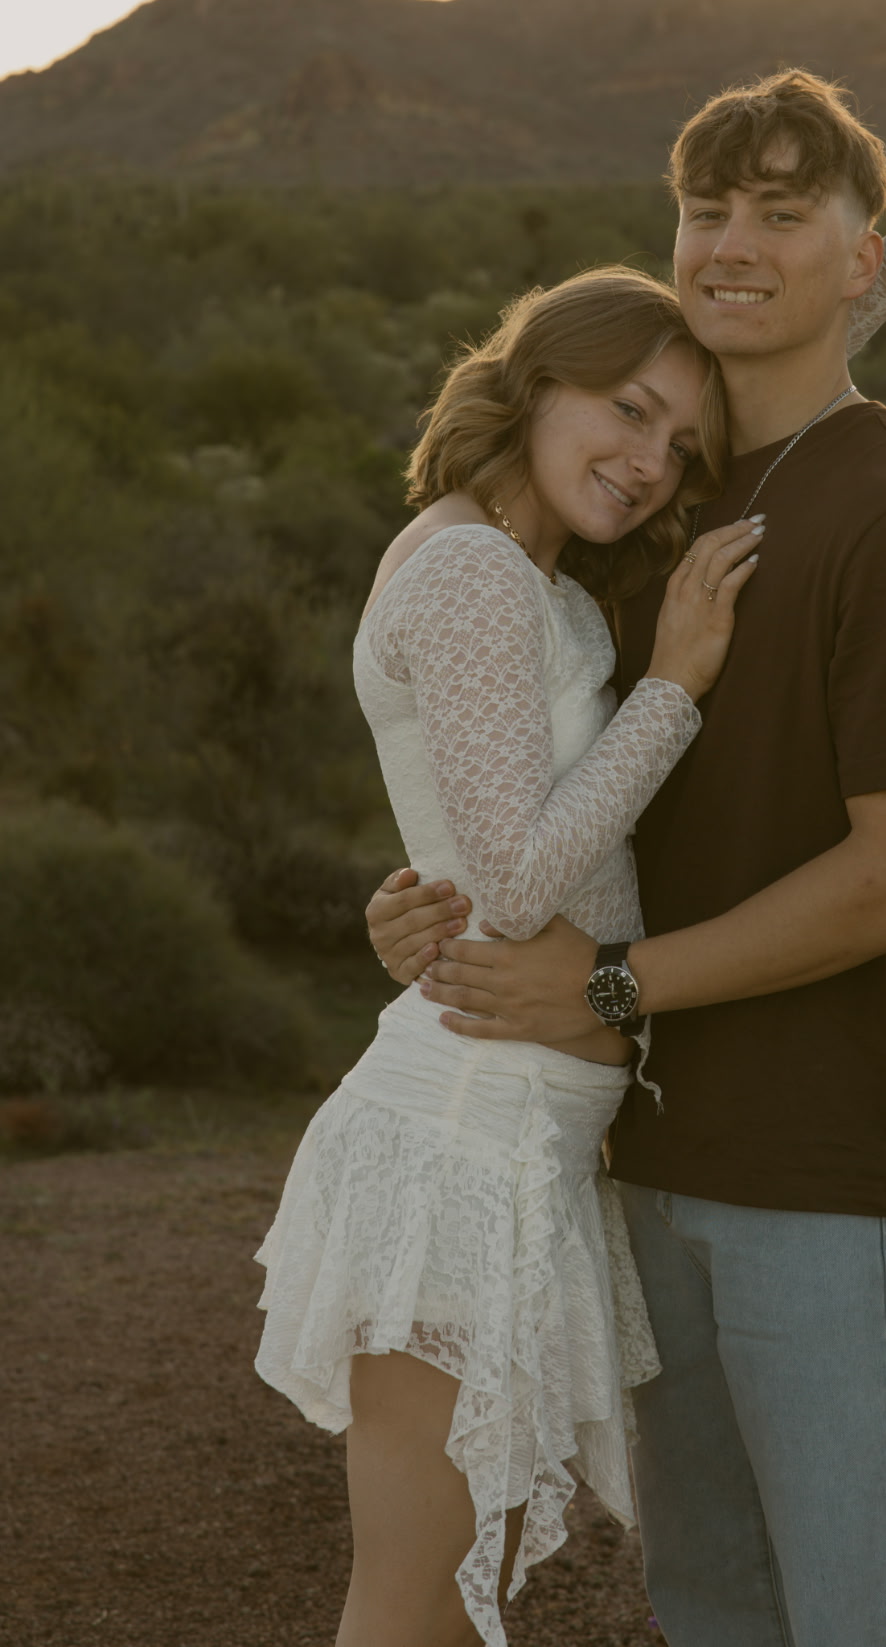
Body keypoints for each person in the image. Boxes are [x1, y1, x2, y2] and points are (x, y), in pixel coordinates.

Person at [366, 70, 886, 1647]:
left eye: (787, 212)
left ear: (850, 254)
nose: (735, 244)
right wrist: (438, 905)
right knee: (719, 1613)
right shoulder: (658, 507)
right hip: (655, 1167)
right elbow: (548, 804)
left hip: (832, 1172)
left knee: (878, 1619)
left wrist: (610, 985)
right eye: (710, 213)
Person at [254, 269, 764, 1647]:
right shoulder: (478, 569)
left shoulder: (518, 561)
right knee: (407, 1598)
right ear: (538, 384)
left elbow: (768, 333)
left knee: (439, 1603)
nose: (650, 462)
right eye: (625, 410)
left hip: (516, 1128)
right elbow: (521, 877)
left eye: (679, 445)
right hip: (463, 1136)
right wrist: (677, 686)